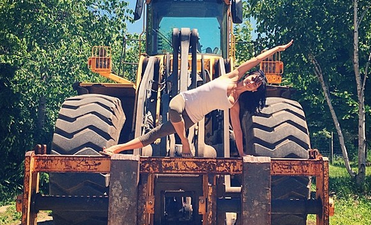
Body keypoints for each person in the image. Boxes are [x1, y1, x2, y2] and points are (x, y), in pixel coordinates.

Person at [102, 40, 293, 158]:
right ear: (248, 75)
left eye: (256, 84)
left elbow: (237, 129)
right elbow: (257, 59)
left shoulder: (234, 104)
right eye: (253, 78)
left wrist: (242, 153)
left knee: (155, 134)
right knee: (174, 110)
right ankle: (185, 143)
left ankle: (116, 149)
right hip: (183, 100)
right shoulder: (233, 75)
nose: (252, 82)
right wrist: (278, 48)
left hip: (192, 118)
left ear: (254, 90)